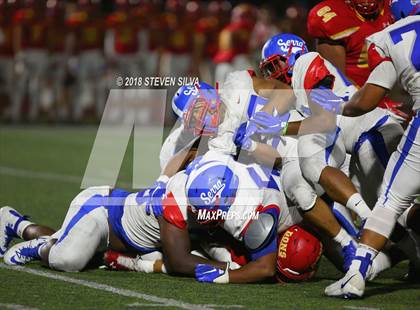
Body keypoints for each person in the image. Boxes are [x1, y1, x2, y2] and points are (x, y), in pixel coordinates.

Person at [309, 0, 420, 298]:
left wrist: (340, 106)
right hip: (400, 118)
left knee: (389, 202)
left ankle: (356, 275)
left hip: (406, 120)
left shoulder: (391, 36)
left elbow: (366, 101)